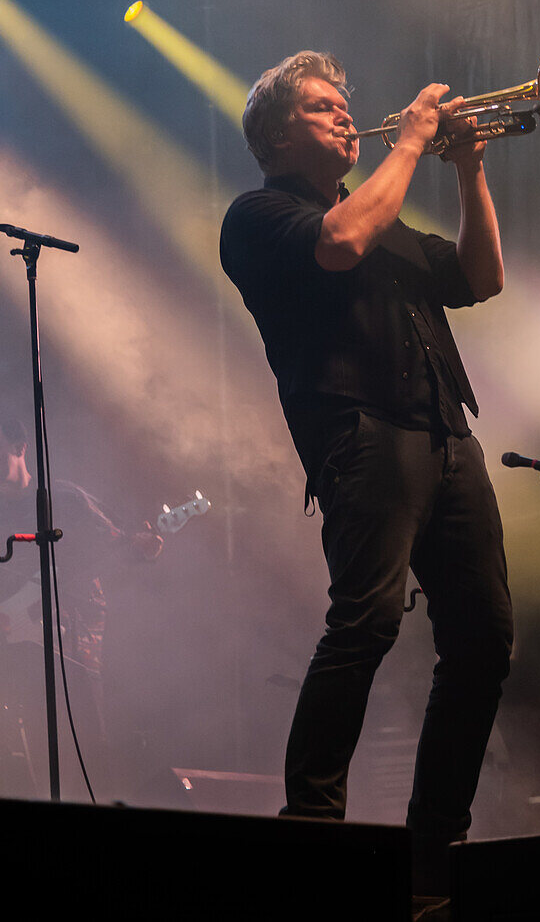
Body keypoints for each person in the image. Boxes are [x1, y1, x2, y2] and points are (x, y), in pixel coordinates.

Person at [220, 50, 513, 896]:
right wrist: (416, 141)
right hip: (360, 433)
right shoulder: (261, 213)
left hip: (446, 435)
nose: (349, 118)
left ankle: (433, 852)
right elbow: (341, 243)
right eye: (323, 109)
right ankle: (311, 826)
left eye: (348, 105)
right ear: (278, 134)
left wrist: (468, 171)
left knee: (484, 642)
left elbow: (483, 277)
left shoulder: (383, 222)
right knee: (367, 622)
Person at [0, 416, 164, 799]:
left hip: (66, 646)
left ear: (20, 447)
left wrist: (143, 545)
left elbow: (118, 542)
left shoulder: (63, 499)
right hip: (12, 652)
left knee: (86, 752)